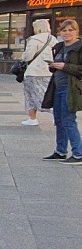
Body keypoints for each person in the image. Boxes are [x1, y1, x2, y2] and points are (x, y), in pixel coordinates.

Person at [41, 19, 82, 164]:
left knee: (68, 120)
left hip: (71, 88)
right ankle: (60, 151)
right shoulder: (59, 47)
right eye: (64, 30)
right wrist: (52, 66)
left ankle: (78, 153)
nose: (67, 33)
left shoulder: (79, 48)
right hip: (57, 87)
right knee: (59, 120)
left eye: (71, 30)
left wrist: (65, 66)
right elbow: (56, 67)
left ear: (77, 32)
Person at [21, 20, 57, 126]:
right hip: (49, 71)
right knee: (48, 94)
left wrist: (22, 57)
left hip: (34, 72)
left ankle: (33, 118)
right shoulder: (53, 39)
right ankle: (56, 115)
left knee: (31, 96)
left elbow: (28, 56)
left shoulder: (34, 39)